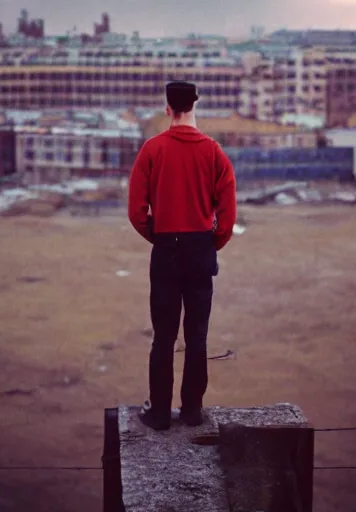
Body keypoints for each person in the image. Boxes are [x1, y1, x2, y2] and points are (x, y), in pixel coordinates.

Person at [128, 81, 237, 431]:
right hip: (199, 250)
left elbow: (136, 210)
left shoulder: (152, 149)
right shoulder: (214, 152)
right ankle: (192, 411)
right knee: (197, 335)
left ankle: (159, 413)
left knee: (163, 336)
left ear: (167, 108)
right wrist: (209, 243)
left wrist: (160, 237)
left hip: (166, 250)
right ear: (195, 105)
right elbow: (228, 214)